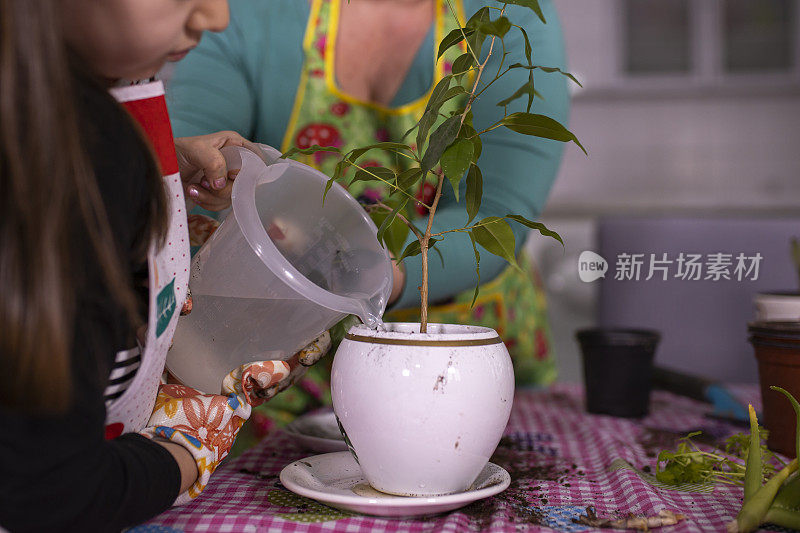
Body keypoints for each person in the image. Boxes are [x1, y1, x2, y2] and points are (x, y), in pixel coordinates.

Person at [0, 1, 328, 531]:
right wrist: (186, 450)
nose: (215, 17)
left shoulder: (81, 115)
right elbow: (51, 493)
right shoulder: (92, 161)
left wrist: (160, 163)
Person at [166, 0, 571, 428]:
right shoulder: (252, 15)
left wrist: (364, 274)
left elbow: (495, 219)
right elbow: (184, 170)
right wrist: (220, 175)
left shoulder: (506, 17)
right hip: (277, 347)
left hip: (455, 366)